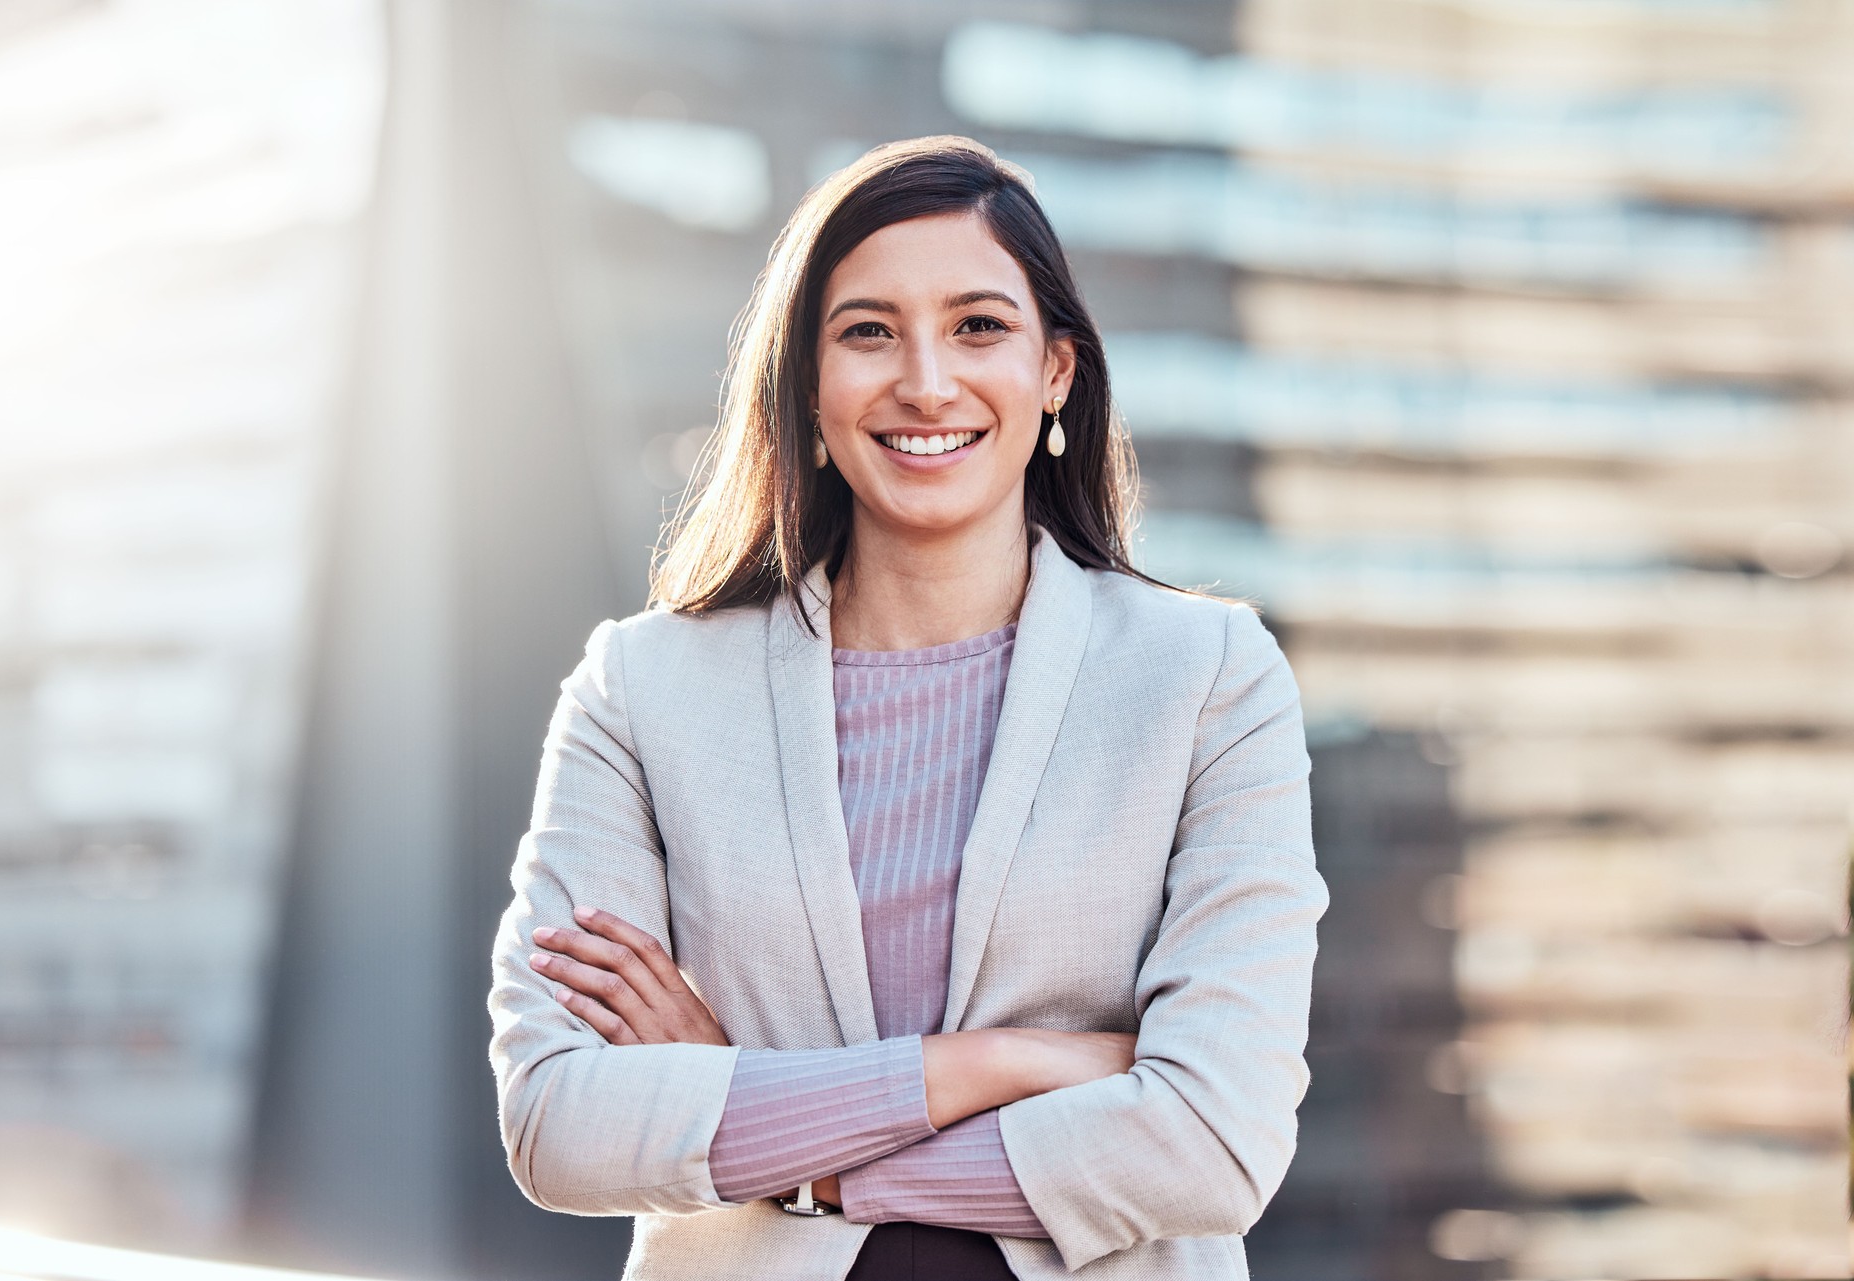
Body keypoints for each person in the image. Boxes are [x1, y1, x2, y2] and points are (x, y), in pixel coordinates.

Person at [486, 135, 1328, 1281]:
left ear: (1056, 375)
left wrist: (779, 1142)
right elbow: (562, 1125)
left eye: (978, 326)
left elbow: (1213, 1144)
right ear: (810, 385)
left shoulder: (1207, 678)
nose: (926, 381)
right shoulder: (644, 689)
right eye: (868, 331)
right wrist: (1003, 1061)